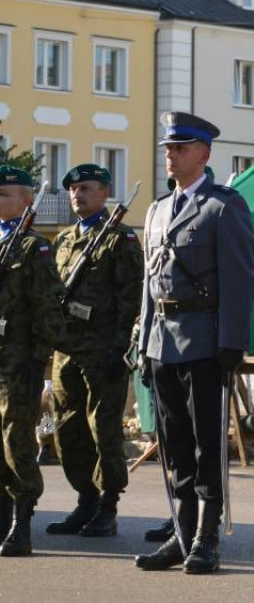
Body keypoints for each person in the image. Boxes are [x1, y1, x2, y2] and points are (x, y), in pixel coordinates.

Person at [134, 111, 254, 574]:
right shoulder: (157, 209)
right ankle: (182, 533)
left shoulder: (223, 207)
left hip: (205, 341)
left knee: (207, 444)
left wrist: (232, 343)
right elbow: (151, 284)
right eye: (168, 147)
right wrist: (145, 342)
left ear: (203, 153)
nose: (170, 154)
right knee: (175, 446)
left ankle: (207, 537)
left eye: (180, 147)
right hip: (162, 342)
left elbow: (241, 279)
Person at [46, 164, 143, 538]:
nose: (77, 194)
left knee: (103, 431)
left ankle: (107, 505)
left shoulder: (120, 240)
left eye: (86, 188)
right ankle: (85, 499)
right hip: (66, 351)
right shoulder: (64, 240)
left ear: (104, 193)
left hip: (103, 350)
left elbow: (131, 299)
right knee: (68, 431)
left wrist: (121, 346)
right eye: (72, 189)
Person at [0, 166, 67, 557]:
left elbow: (47, 306)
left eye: (6, 194)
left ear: (27, 200)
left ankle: (21, 519)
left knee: (15, 439)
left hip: (19, 357)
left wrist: (40, 356)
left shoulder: (34, 247)